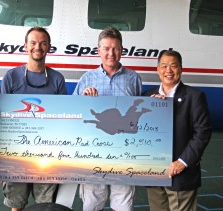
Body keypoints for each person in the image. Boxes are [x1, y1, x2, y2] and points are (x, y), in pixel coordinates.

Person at [73, 27, 142, 211]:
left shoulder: (133, 79)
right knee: (92, 205)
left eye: (116, 48)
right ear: (98, 51)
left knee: (124, 206)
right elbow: (73, 114)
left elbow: (137, 114)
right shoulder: (86, 79)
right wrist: (83, 100)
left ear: (122, 50)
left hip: (124, 154)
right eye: (106, 48)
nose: (111, 53)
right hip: (94, 153)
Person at [0, 27, 67, 211]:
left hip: (47, 157)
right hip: (16, 157)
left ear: (49, 47)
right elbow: (2, 121)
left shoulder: (57, 79)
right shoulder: (11, 77)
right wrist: (2, 164)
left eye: (43, 43)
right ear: (25, 46)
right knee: (16, 206)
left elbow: (63, 122)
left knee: (44, 206)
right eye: (33, 43)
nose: (38, 47)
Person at [143, 50, 212, 210]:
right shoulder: (147, 97)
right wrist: (149, 110)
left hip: (181, 173)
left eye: (173, 66)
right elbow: (139, 131)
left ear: (181, 68)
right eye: (164, 66)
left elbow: (202, 133)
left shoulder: (195, 96)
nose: (168, 70)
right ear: (157, 69)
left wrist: (182, 162)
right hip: (154, 174)